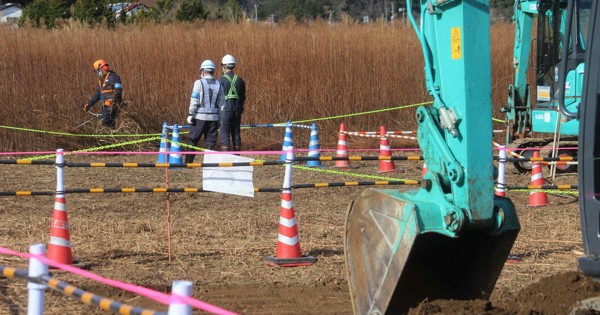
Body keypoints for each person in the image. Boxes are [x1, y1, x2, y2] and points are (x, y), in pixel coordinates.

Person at [185, 59, 225, 163]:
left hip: (199, 118)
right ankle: (209, 165)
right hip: (213, 119)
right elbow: (222, 105)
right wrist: (220, 119)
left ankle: (188, 163)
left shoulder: (198, 83)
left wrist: (190, 113)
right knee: (211, 142)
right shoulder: (219, 84)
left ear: (203, 71)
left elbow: (194, 99)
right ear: (213, 71)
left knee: (192, 140)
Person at [218, 54, 246, 152]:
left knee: (225, 134)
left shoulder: (220, 80)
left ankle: (225, 159)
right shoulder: (240, 80)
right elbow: (243, 97)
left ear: (224, 66)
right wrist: (240, 109)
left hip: (225, 110)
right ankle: (237, 158)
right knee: (236, 134)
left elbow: (217, 97)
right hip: (237, 110)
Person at [83, 59, 123, 128]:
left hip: (113, 106)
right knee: (108, 125)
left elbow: (118, 90)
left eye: (98, 71)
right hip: (105, 107)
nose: (98, 73)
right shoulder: (102, 81)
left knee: (103, 122)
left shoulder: (114, 77)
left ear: (103, 68)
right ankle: (110, 137)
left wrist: (111, 100)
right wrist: (89, 104)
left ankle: (105, 137)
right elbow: (97, 94)